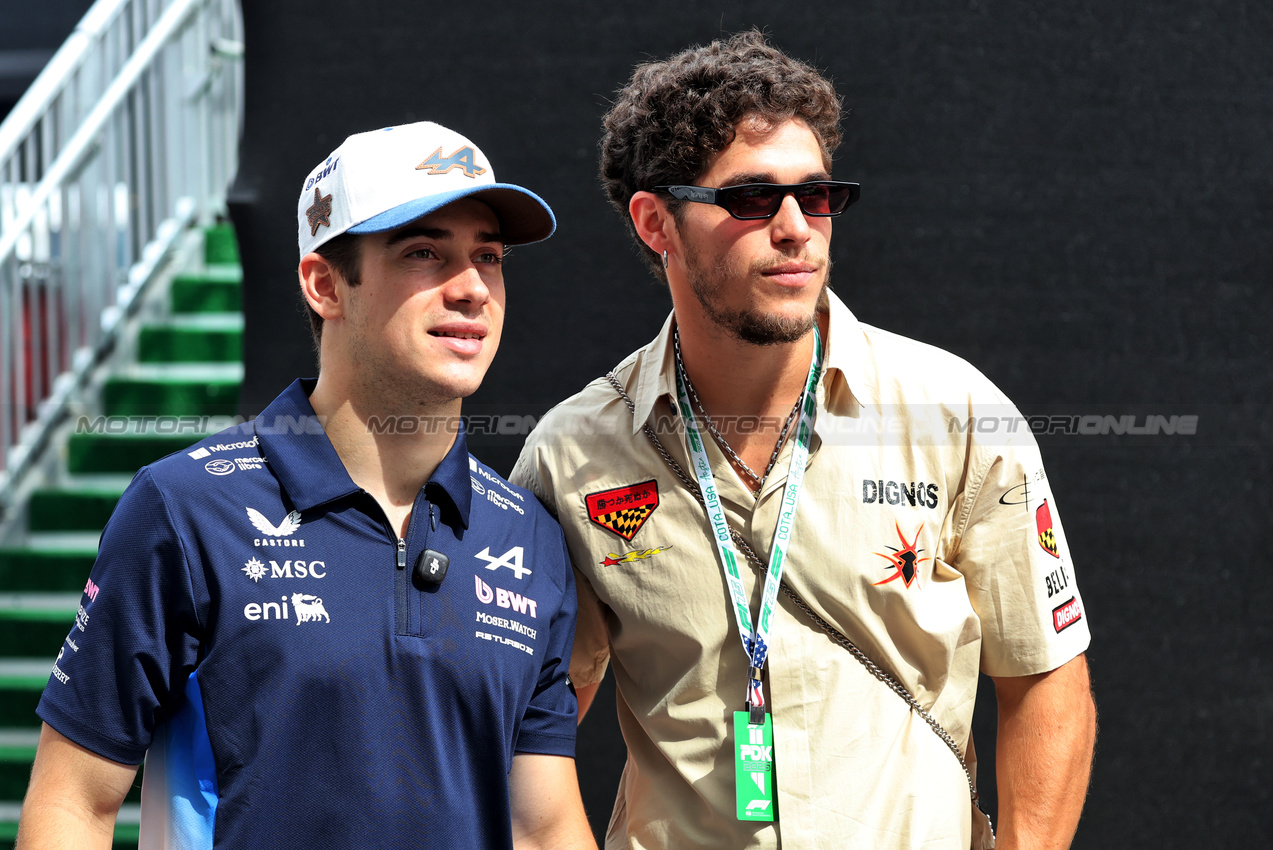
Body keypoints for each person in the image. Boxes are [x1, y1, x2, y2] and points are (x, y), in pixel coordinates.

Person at [512, 32, 1096, 850]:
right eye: (750, 199)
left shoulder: (955, 411)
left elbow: (1044, 677)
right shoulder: (570, 454)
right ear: (656, 224)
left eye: (816, 196)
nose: (795, 228)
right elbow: (533, 721)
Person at [19, 121, 596, 850]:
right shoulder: (186, 509)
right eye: (424, 253)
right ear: (325, 284)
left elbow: (542, 828)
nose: (472, 289)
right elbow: (72, 806)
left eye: (488, 257)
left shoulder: (528, 534)